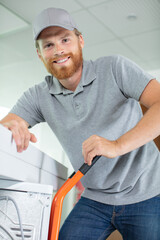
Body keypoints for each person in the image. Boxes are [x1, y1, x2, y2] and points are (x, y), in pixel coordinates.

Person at [0, 7, 160, 240]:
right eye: (48, 45)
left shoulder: (114, 68)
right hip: (95, 198)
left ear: (80, 40)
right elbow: (8, 125)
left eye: (65, 39)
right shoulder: (38, 96)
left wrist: (116, 145)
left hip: (147, 191)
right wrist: (11, 128)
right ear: (40, 54)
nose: (58, 50)